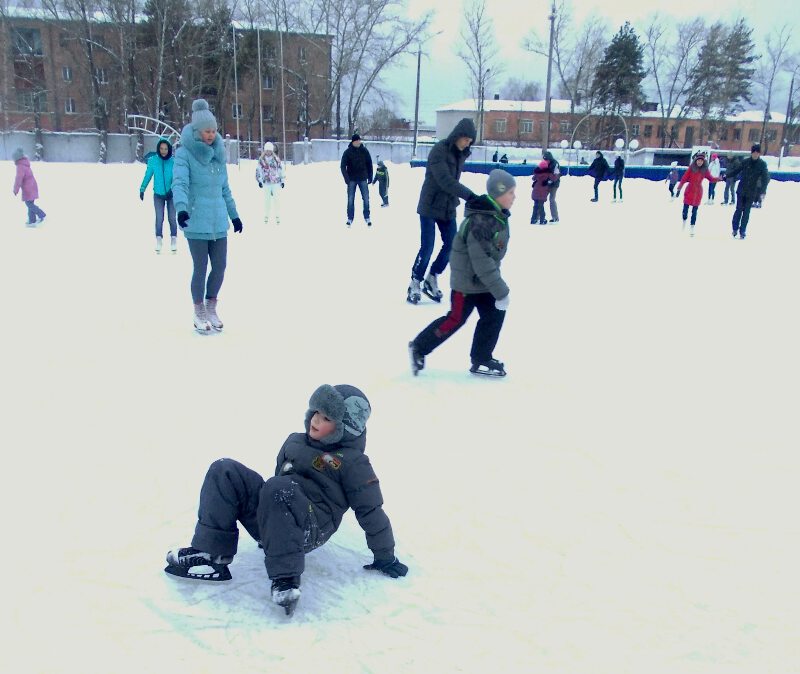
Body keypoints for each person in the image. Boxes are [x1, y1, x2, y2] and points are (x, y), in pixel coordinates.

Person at [164, 383, 408, 616]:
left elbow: (371, 511)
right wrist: (272, 528)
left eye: (326, 418)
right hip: (279, 512)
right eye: (316, 412)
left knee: (279, 487)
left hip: (311, 527)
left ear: (345, 427)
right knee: (225, 470)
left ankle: (285, 578)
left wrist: (385, 556)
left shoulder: (354, 463)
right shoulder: (294, 441)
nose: (315, 420)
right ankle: (211, 553)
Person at [408, 169, 515, 378]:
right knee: (455, 319)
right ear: (498, 193)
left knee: (494, 314)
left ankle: (481, 358)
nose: (514, 197)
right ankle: (419, 347)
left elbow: (490, 257)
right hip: (465, 284)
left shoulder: (495, 216)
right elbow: (482, 260)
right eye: (510, 192)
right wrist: (501, 290)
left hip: (481, 282)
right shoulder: (481, 221)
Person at [172, 99, 243, 333]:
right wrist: (181, 208)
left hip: (218, 221)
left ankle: (211, 305)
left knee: (220, 266)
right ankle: (199, 310)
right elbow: (180, 183)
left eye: (214, 130)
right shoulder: (184, 154)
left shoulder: (218, 155)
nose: (211, 135)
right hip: (195, 220)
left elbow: (225, 189)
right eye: (207, 131)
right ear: (197, 131)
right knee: (200, 266)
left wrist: (234, 216)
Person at [408, 117, 477, 305]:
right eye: (466, 139)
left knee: (452, 245)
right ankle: (415, 282)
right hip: (430, 205)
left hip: (447, 206)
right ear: (458, 135)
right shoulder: (439, 150)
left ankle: (432, 277)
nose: (467, 144)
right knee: (428, 246)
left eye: (470, 142)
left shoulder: (460, 154)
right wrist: (470, 196)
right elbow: (445, 180)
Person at [724, 144, 770, 240]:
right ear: (751, 153)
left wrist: (763, 191)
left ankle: (743, 230)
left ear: (759, 153)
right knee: (739, 210)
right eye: (754, 152)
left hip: (751, 192)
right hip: (741, 190)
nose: (755, 154)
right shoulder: (745, 162)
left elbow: (765, 179)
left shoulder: (762, 164)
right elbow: (736, 170)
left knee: (746, 212)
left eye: (757, 153)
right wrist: (726, 176)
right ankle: (735, 228)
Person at [139, 137, 177, 254]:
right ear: (158, 149)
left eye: (166, 149)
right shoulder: (153, 161)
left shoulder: (174, 161)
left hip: (171, 195)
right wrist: (142, 189)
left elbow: (178, 178)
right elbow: (148, 176)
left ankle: (173, 239)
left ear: (169, 149)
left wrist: (175, 189)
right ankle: (159, 239)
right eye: (161, 148)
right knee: (159, 218)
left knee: (172, 218)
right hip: (158, 195)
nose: (163, 151)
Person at [675, 152, 721, 236]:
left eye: (701, 161)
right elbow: (684, 178)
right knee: (685, 209)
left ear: (703, 162)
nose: (699, 162)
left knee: (695, 211)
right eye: (698, 160)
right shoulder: (691, 168)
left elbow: (711, 178)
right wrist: (679, 188)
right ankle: (684, 221)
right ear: (696, 160)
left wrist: (719, 179)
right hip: (689, 190)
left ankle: (692, 226)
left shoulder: (705, 170)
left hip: (698, 192)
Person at [340, 134, 373, 227]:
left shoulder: (364, 151)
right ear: (353, 142)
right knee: (350, 199)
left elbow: (369, 164)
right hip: (352, 179)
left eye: (359, 140)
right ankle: (350, 218)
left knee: (366, 198)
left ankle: (367, 217)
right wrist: (347, 179)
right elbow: (342, 166)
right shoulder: (347, 152)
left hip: (363, 178)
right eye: (357, 140)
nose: (359, 142)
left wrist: (370, 176)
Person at [12, 147, 46, 226]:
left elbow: (18, 179)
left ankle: (41, 214)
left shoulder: (20, 166)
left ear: (17, 159)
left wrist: (15, 189)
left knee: (29, 204)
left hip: (28, 188)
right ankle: (32, 220)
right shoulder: (25, 164)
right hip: (32, 186)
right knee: (30, 203)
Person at [256, 141, 285, 225]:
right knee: (267, 200)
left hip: (275, 182)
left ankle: (277, 215)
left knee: (277, 199)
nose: (268, 152)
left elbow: (280, 170)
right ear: (264, 151)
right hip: (266, 183)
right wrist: (260, 181)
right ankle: (266, 215)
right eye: (267, 150)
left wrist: (282, 180)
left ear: (272, 151)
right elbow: (259, 171)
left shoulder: (276, 159)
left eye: (270, 150)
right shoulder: (261, 160)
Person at [530, 160, 554, 225]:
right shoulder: (548, 174)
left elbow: (533, 178)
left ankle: (533, 219)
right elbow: (553, 178)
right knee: (541, 207)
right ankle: (542, 220)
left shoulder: (537, 173)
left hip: (536, 191)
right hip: (543, 192)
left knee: (535, 206)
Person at [541, 150, 561, 222]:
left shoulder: (555, 164)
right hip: (547, 183)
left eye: (546, 159)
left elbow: (556, 175)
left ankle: (555, 217)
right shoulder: (545, 163)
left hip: (554, 184)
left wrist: (550, 181)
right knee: (541, 199)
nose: (545, 160)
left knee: (552, 199)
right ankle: (539, 216)